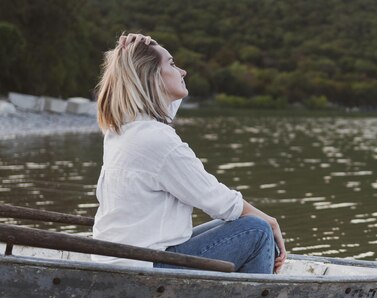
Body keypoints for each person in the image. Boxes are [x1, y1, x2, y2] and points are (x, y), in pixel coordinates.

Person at [92, 33, 286, 273]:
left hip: (122, 259)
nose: (182, 71)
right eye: (172, 64)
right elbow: (217, 200)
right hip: (146, 267)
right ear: (152, 77)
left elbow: (163, 112)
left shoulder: (122, 130)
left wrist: (133, 53)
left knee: (245, 223)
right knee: (257, 230)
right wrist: (271, 221)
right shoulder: (157, 140)